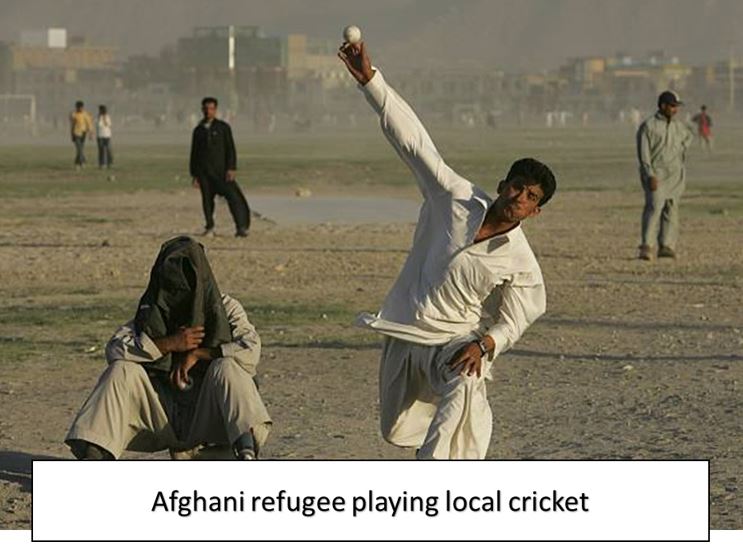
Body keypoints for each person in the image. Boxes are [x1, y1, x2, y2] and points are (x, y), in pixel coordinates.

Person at [339, 41, 556, 460]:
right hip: (405, 335)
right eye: (516, 186)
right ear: (501, 184)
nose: (518, 197)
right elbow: (414, 141)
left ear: (536, 211)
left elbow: (521, 315)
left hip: (452, 341)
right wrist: (371, 81)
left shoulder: (520, 260)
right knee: (395, 427)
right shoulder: (453, 197)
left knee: (467, 384)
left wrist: (486, 344)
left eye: (530, 196)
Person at [65, 236, 271, 460]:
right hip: (161, 415)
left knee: (227, 366)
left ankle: (246, 454)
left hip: (207, 415)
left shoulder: (224, 307)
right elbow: (114, 349)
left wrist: (200, 353)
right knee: (122, 370)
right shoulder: (154, 309)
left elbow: (251, 349)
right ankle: (95, 457)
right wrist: (167, 344)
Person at [636, 91, 694, 260]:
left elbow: (688, 138)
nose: (675, 110)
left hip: (675, 174)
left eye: (677, 107)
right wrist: (649, 174)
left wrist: (679, 154)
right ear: (663, 106)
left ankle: (667, 246)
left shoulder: (678, 126)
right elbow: (643, 154)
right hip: (656, 174)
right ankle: (647, 246)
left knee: (671, 209)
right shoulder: (649, 126)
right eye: (673, 106)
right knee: (654, 207)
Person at [190, 97, 251, 238]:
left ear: (215, 110)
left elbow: (230, 149)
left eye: (211, 109)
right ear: (202, 110)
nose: (208, 111)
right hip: (204, 172)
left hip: (222, 172)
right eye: (205, 109)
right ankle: (210, 226)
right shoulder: (198, 130)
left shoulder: (223, 128)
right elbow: (194, 153)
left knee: (234, 198)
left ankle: (241, 227)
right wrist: (194, 174)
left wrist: (231, 168)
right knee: (207, 201)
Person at [69, 100, 94, 169]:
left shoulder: (85, 114)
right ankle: (82, 162)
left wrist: (91, 133)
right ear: (76, 107)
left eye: (81, 107)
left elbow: (89, 124)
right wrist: (71, 134)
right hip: (76, 133)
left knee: (81, 149)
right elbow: (72, 125)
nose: (80, 109)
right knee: (79, 149)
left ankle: (78, 163)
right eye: (79, 107)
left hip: (83, 133)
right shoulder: (74, 114)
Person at [96, 104, 113, 169]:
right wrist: (101, 118)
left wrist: (104, 118)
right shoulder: (98, 117)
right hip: (100, 135)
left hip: (107, 135)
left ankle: (109, 163)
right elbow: (98, 125)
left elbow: (109, 124)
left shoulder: (107, 116)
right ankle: (102, 164)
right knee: (101, 150)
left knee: (109, 150)